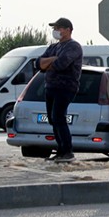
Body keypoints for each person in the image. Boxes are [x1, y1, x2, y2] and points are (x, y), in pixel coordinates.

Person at [36, 17, 83, 163]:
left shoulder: (73, 46)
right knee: (52, 118)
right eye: (55, 28)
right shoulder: (53, 47)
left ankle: (67, 151)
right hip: (50, 86)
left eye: (59, 28)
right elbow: (39, 64)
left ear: (68, 30)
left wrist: (48, 62)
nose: (56, 31)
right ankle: (60, 150)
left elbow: (61, 64)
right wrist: (51, 59)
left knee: (58, 116)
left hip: (65, 87)